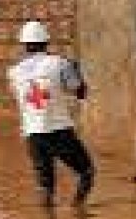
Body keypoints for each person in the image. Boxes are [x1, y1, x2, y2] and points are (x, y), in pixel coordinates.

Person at [8, 20, 94, 207]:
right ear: (46, 42)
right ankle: (78, 211)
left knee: (45, 186)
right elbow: (80, 92)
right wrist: (77, 73)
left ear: (24, 46)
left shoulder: (14, 72)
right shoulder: (60, 64)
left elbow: (24, 99)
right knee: (86, 172)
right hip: (60, 131)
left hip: (33, 135)